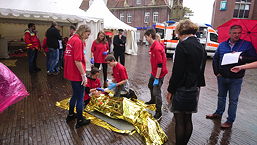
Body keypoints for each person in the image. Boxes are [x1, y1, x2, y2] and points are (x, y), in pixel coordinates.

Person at [206, 25, 257, 129]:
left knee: (233, 100)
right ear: (229, 33)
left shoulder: (246, 45)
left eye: (239, 33)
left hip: (236, 78)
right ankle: (218, 113)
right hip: (222, 76)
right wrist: (217, 73)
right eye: (234, 33)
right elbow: (215, 59)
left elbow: (254, 58)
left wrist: (241, 57)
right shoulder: (222, 45)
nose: (237, 35)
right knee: (221, 96)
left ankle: (230, 120)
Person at [166, 19, 207, 145]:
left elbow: (177, 71)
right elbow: (201, 68)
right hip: (195, 87)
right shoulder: (200, 45)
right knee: (188, 119)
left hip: (183, 87)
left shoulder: (183, 45)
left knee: (179, 120)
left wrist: (170, 90)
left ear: (181, 31)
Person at [64, 24, 91, 128]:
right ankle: (80, 119)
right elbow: (77, 60)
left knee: (75, 95)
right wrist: (83, 75)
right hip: (76, 74)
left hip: (71, 72)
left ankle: (71, 114)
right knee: (80, 97)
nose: (88, 37)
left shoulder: (72, 39)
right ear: (83, 32)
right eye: (87, 34)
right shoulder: (78, 41)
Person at [144, 28, 168, 121]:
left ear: (150, 36)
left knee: (156, 92)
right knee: (150, 85)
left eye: (146, 37)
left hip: (159, 74)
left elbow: (160, 65)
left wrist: (157, 78)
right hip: (154, 72)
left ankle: (159, 112)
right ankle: (152, 100)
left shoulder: (157, 48)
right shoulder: (153, 46)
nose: (145, 39)